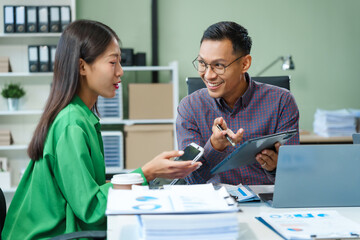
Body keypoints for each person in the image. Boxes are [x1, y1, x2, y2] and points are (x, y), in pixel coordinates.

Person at [2, 20, 201, 239]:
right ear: (82, 66)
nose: (121, 72)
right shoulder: (71, 124)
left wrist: (145, 176)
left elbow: (89, 188)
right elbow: (91, 208)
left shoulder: (80, 117)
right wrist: (146, 173)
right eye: (113, 62)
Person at [176, 21, 299, 185]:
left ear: (244, 64)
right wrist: (214, 146)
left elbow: (294, 176)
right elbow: (190, 179)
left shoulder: (282, 102)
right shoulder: (190, 107)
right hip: (216, 204)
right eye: (202, 64)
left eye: (218, 65)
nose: (208, 75)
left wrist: (275, 168)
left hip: (265, 204)